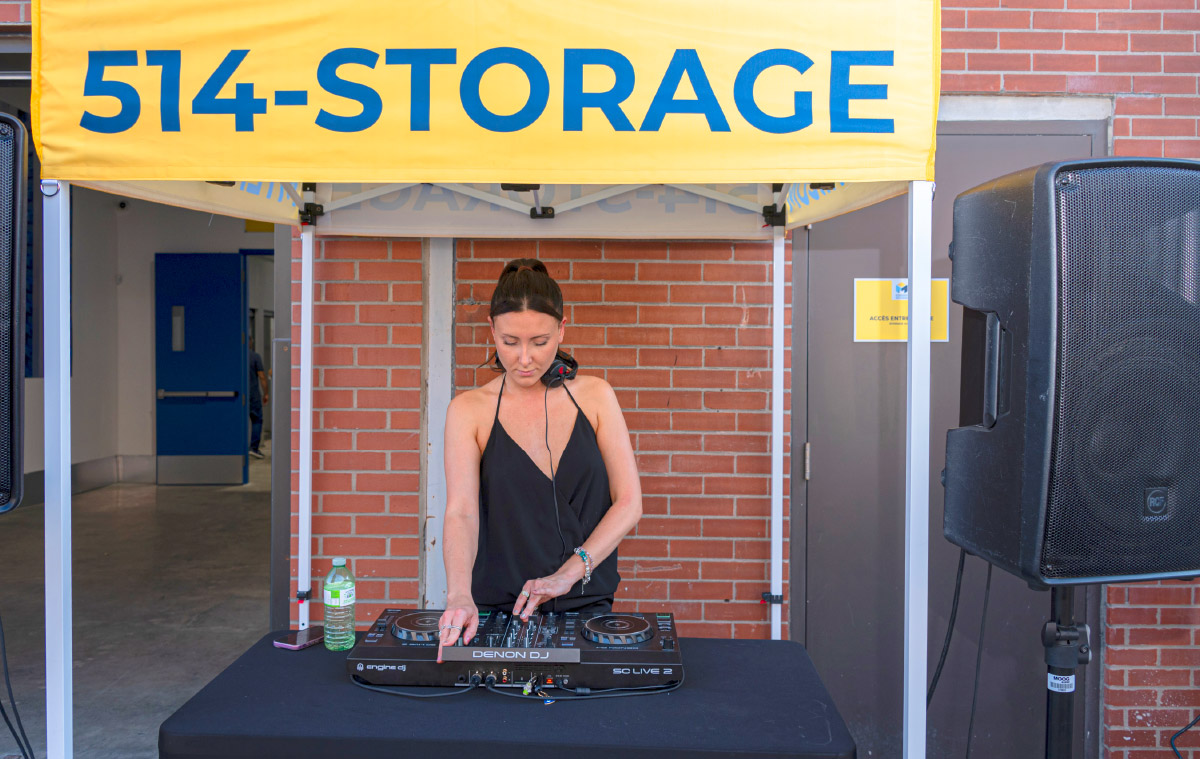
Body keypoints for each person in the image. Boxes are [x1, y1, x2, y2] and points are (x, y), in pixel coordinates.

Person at [437, 259, 642, 661]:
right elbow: (461, 512)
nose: (525, 358)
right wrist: (459, 593)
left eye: (540, 341)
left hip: (587, 604)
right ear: (492, 331)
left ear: (562, 330)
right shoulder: (468, 410)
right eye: (511, 342)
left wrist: (568, 574)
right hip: (497, 610)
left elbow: (629, 503)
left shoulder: (597, 396)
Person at [248, 337, 268, 459]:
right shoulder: (255, 357)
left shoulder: (236, 356)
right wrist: (266, 393)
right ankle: (254, 448)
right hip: (253, 394)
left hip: (239, 394)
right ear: (250, 342)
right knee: (257, 420)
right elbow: (261, 376)